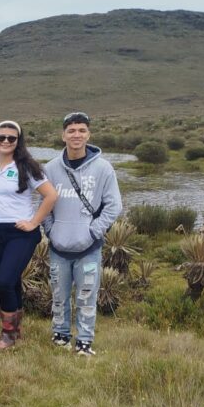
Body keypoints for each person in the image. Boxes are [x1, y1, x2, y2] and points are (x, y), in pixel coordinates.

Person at [42, 112, 122, 356]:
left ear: (89, 134)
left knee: (87, 296)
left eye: (81, 130)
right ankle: (61, 336)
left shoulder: (103, 168)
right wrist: (50, 230)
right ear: (63, 135)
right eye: (71, 131)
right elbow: (44, 203)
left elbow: (114, 206)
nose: (76, 135)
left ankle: (84, 342)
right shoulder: (51, 168)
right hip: (58, 247)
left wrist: (93, 232)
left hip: (89, 248)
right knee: (59, 296)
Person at [0, 121, 58, 349]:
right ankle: (16, 331)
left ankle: (8, 334)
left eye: (11, 138)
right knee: (13, 281)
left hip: (21, 233)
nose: (6, 141)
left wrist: (34, 223)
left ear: (18, 141)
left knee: (4, 281)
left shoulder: (26, 166)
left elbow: (51, 196)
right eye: (1, 137)